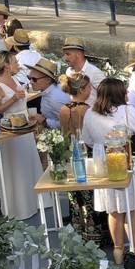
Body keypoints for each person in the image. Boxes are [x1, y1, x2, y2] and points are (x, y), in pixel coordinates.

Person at [82, 79, 135, 264]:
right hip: (130, 164)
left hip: (106, 164)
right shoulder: (126, 111)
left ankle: (118, 251)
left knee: (114, 210)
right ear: (118, 94)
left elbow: (88, 140)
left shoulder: (90, 114)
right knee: (133, 209)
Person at [0, 51, 44, 220]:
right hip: (11, 129)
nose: (18, 64)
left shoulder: (14, 79)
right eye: (14, 61)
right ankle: (18, 205)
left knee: (28, 162)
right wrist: (14, 98)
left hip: (25, 126)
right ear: (6, 65)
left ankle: (34, 202)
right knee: (16, 166)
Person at [56, 73, 106, 244]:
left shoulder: (64, 109)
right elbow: (93, 136)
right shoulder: (86, 110)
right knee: (90, 194)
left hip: (69, 153)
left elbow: (63, 133)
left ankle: (78, 227)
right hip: (85, 152)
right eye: (89, 86)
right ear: (83, 89)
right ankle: (93, 232)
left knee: (74, 194)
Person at [26, 58, 70, 129]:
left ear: (48, 80)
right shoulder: (50, 90)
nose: (30, 82)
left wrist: (44, 121)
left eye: (34, 79)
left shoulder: (54, 99)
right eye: (29, 78)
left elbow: (69, 123)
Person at [63, 38, 105, 105]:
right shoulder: (68, 71)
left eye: (68, 54)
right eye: (64, 54)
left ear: (79, 54)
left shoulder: (95, 73)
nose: (65, 58)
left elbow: (106, 95)